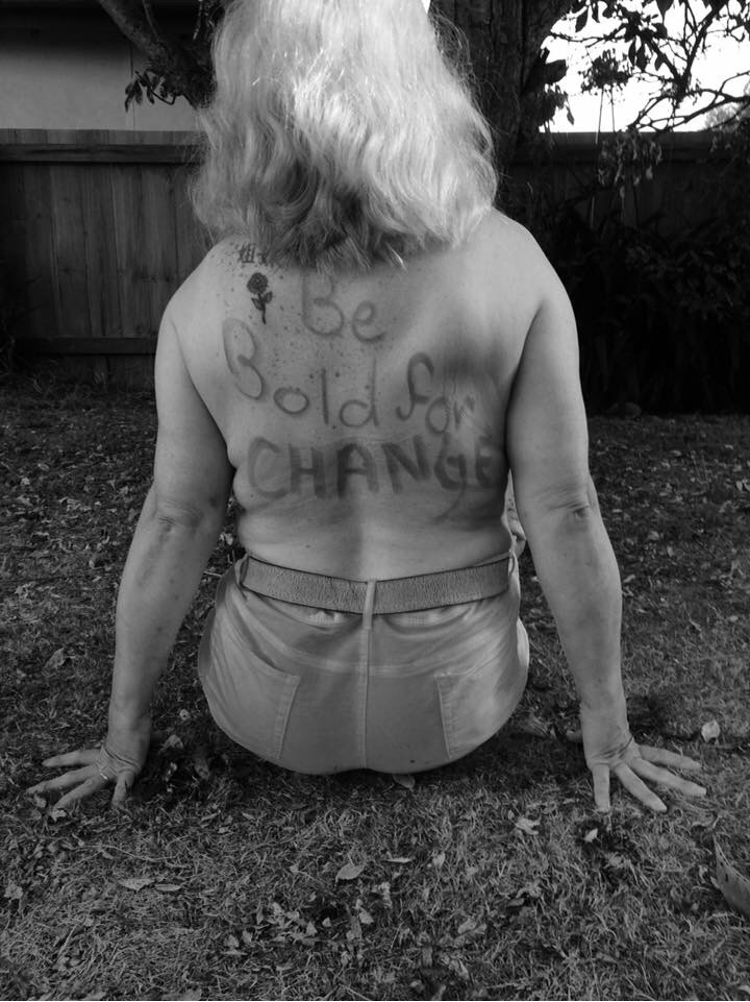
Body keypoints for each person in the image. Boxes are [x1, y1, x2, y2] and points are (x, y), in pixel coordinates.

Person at [29, 0, 706, 814]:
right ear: (420, 84)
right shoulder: (512, 267)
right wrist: (610, 734)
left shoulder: (204, 300)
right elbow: (566, 507)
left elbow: (178, 521)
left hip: (270, 705)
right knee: (528, 516)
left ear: (254, 101)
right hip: (455, 704)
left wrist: (121, 737)